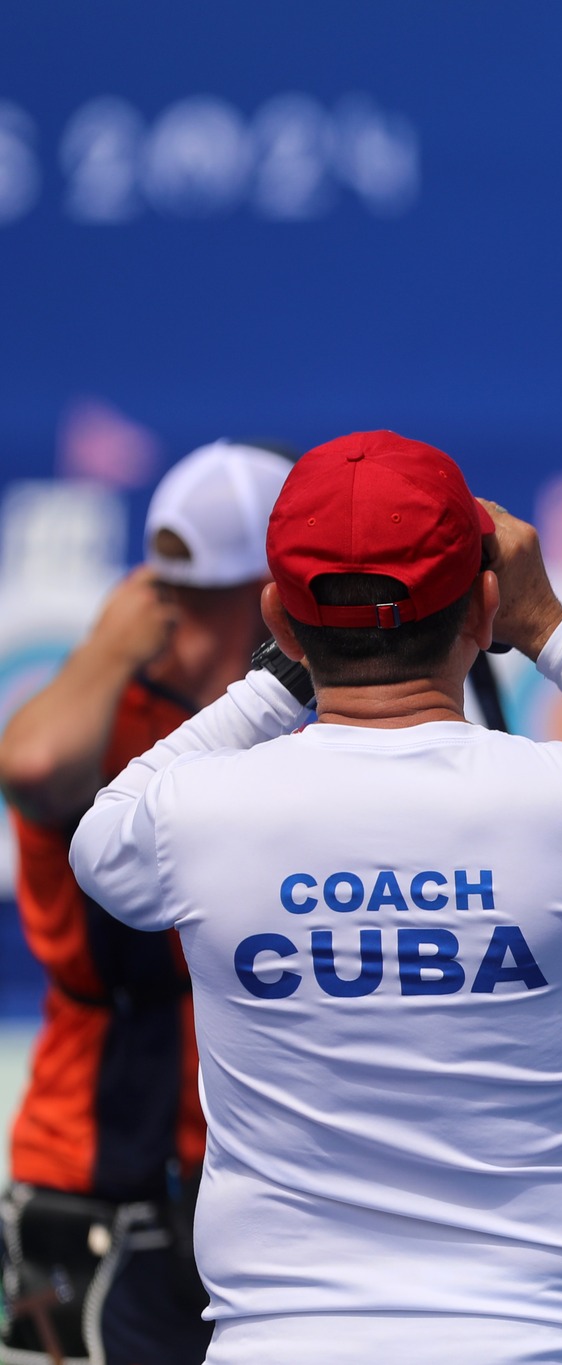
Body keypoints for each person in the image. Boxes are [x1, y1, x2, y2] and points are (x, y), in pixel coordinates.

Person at [67, 430, 562, 1363]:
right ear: (485, 604)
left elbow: (101, 836)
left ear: (281, 616)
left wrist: (281, 672)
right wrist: (552, 626)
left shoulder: (191, 816)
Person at [0, 441, 294, 1365]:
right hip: (100, 1172)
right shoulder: (109, 715)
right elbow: (36, 765)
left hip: (256, 1176)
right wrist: (109, 644)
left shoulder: (307, 721)